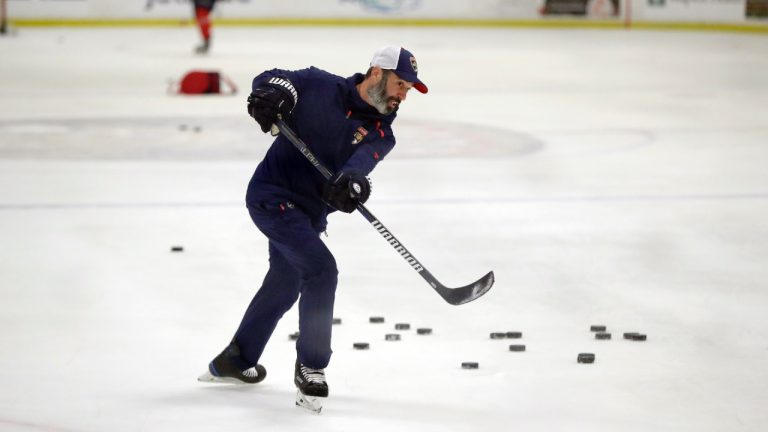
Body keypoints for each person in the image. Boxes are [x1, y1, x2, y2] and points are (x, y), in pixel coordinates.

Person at [198, 46, 428, 411]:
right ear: (376, 73)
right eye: (400, 84)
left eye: (409, 89)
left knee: (285, 283)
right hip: (271, 198)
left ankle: (236, 360)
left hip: (308, 216)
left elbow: (358, 167)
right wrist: (273, 96)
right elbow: (272, 78)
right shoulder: (319, 84)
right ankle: (312, 366)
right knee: (322, 270)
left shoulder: (381, 133)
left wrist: (351, 185)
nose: (404, 95)